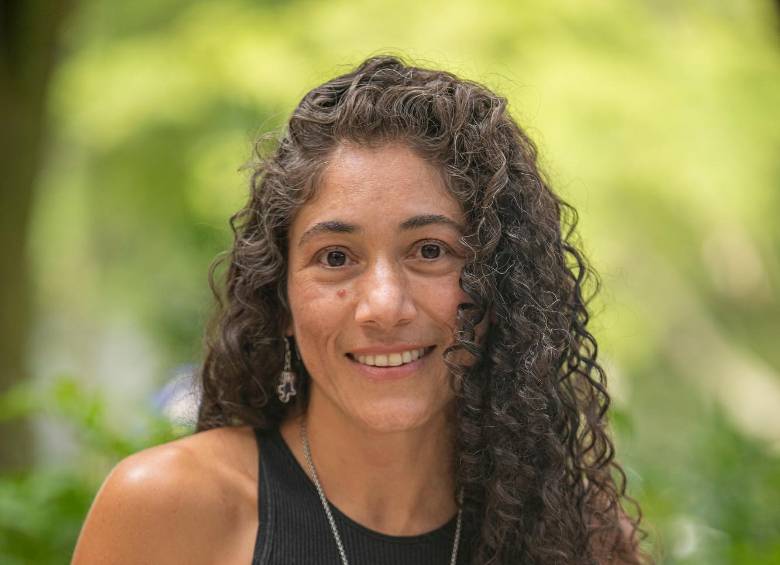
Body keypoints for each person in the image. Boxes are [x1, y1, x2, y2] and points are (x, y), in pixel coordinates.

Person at [72, 55, 646, 564]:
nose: (382, 307)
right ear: (284, 299)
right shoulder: (170, 509)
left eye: (429, 251)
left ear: (501, 285)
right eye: (337, 256)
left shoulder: (577, 537)